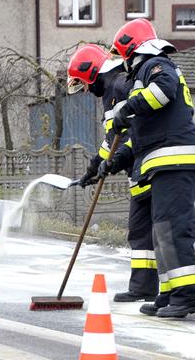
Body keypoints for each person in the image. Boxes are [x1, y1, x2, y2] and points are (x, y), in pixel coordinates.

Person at [109, 18, 195, 318]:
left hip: (174, 159)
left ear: (132, 49)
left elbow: (162, 92)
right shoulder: (147, 69)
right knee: (162, 230)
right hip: (164, 162)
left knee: (173, 228)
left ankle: (189, 295)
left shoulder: (156, 65)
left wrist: (127, 108)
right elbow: (143, 125)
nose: (124, 63)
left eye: (124, 55)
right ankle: (171, 292)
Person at [66, 44, 158, 302]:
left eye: (84, 84)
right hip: (139, 170)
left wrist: (113, 162)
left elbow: (131, 132)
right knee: (140, 230)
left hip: (149, 166)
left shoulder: (118, 86)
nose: (86, 90)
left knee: (164, 229)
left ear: (93, 73)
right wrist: (93, 169)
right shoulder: (111, 89)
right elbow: (112, 138)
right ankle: (142, 287)